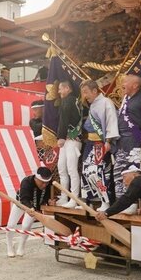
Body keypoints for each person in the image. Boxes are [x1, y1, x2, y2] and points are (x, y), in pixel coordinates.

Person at [113, 74, 141, 200]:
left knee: (132, 173)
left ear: (135, 85)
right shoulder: (126, 99)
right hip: (121, 141)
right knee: (118, 172)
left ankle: (132, 203)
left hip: (135, 139)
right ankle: (120, 202)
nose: (122, 84)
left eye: (125, 82)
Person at [80, 80, 119, 210]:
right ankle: (89, 200)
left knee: (98, 172)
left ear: (95, 91)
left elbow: (111, 122)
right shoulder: (93, 104)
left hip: (100, 142)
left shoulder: (106, 103)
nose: (84, 95)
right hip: (90, 142)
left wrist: (108, 141)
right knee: (86, 170)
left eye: (86, 92)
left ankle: (105, 201)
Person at [5, 166, 53, 257]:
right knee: (11, 225)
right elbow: (24, 199)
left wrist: (49, 201)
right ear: (36, 178)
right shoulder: (26, 182)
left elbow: (47, 197)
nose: (44, 185)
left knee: (26, 226)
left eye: (46, 183)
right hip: (21, 204)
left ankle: (21, 246)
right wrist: (30, 208)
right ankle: (9, 246)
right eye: (42, 182)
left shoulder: (49, 184)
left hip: (35, 208)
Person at [55, 80, 82, 208]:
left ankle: (74, 198)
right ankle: (64, 196)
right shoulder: (74, 100)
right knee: (62, 168)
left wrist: (60, 136)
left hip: (71, 139)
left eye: (60, 89)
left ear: (67, 88)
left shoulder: (68, 100)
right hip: (68, 139)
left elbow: (64, 120)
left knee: (71, 169)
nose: (59, 92)